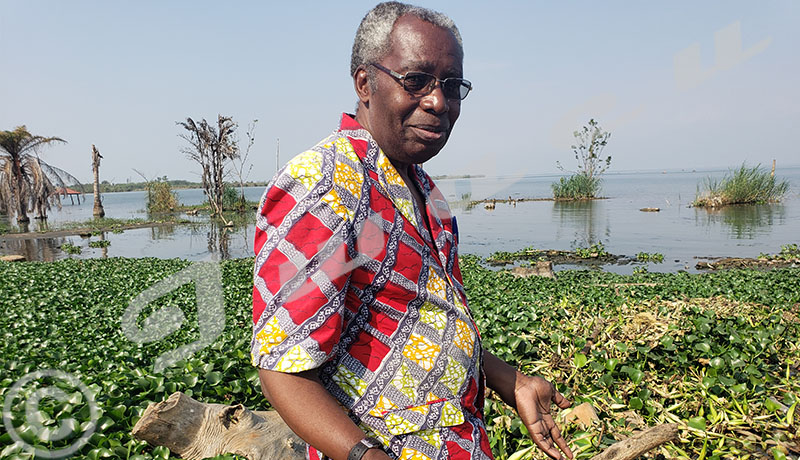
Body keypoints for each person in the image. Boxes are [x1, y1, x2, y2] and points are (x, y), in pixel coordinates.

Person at [251, 3, 573, 460]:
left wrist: (510, 380)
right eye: (416, 80)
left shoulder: (425, 190)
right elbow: (282, 368)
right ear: (365, 83)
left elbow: (420, 321)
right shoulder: (323, 185)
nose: (438, 101)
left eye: (451, 85)